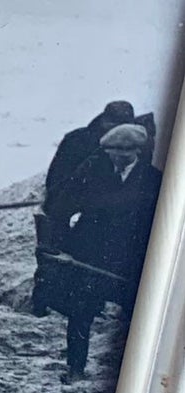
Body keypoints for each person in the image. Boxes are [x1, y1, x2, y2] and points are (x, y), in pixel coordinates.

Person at [43, 122, 162, 378]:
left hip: (129, 259)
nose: (116, 159)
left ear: (136, 152)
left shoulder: (153, 180)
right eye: (111, 153)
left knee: (137, 315)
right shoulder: (93, 170)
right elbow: (59, 204)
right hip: (91, 254)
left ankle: (136, 373)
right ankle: (75, 368)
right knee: (80, 311)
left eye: (122, 154)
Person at [33, 101, 138, 311]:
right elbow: (56, 180)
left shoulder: (132, 146)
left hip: (100, 215)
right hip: (64, 210)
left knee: (93, 263)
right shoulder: (77, 140)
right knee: (54, 260)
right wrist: (67, 206)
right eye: (114, 124)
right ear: (104, 120)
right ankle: (42, 305)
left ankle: (89, 305)